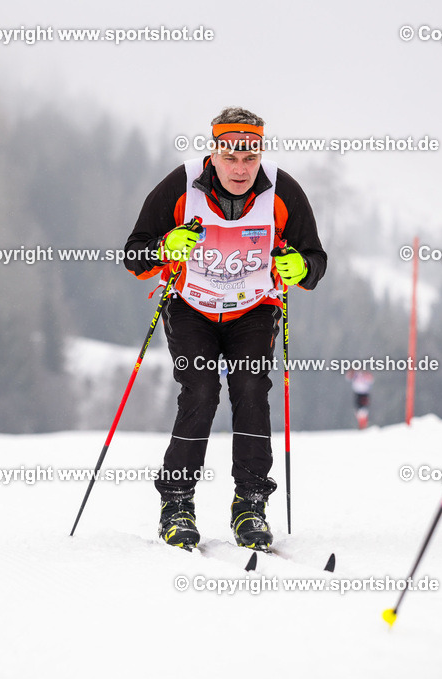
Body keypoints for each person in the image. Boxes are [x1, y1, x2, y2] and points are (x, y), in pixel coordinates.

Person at [123, 107, 327, 550]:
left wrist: (300, 266)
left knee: (251, 388)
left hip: (252, 308)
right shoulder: (180, 186)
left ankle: (250, 503)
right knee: (200, 388)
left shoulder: (283, 190)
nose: (240, 168)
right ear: (213, 152)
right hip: (191, 306)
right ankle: (177, 503)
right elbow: (134, 255)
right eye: (230, 156)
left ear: (261, 153)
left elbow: (315, 260)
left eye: (250, 157)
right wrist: (163, 246)